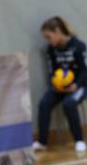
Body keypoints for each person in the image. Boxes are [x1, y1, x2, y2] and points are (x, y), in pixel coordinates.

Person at [33, 16, 87, 152]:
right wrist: (55, 84)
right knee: (44, 104)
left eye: (48, 37)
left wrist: (75, 85)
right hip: (59, 87)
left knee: (69, 104)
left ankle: (79, 140)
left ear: (57, 31)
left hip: (80, 85)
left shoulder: (79, 46)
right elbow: (51, 70)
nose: (48, 41)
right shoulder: (51, 49)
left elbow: (85, 70)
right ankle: (42, 142)